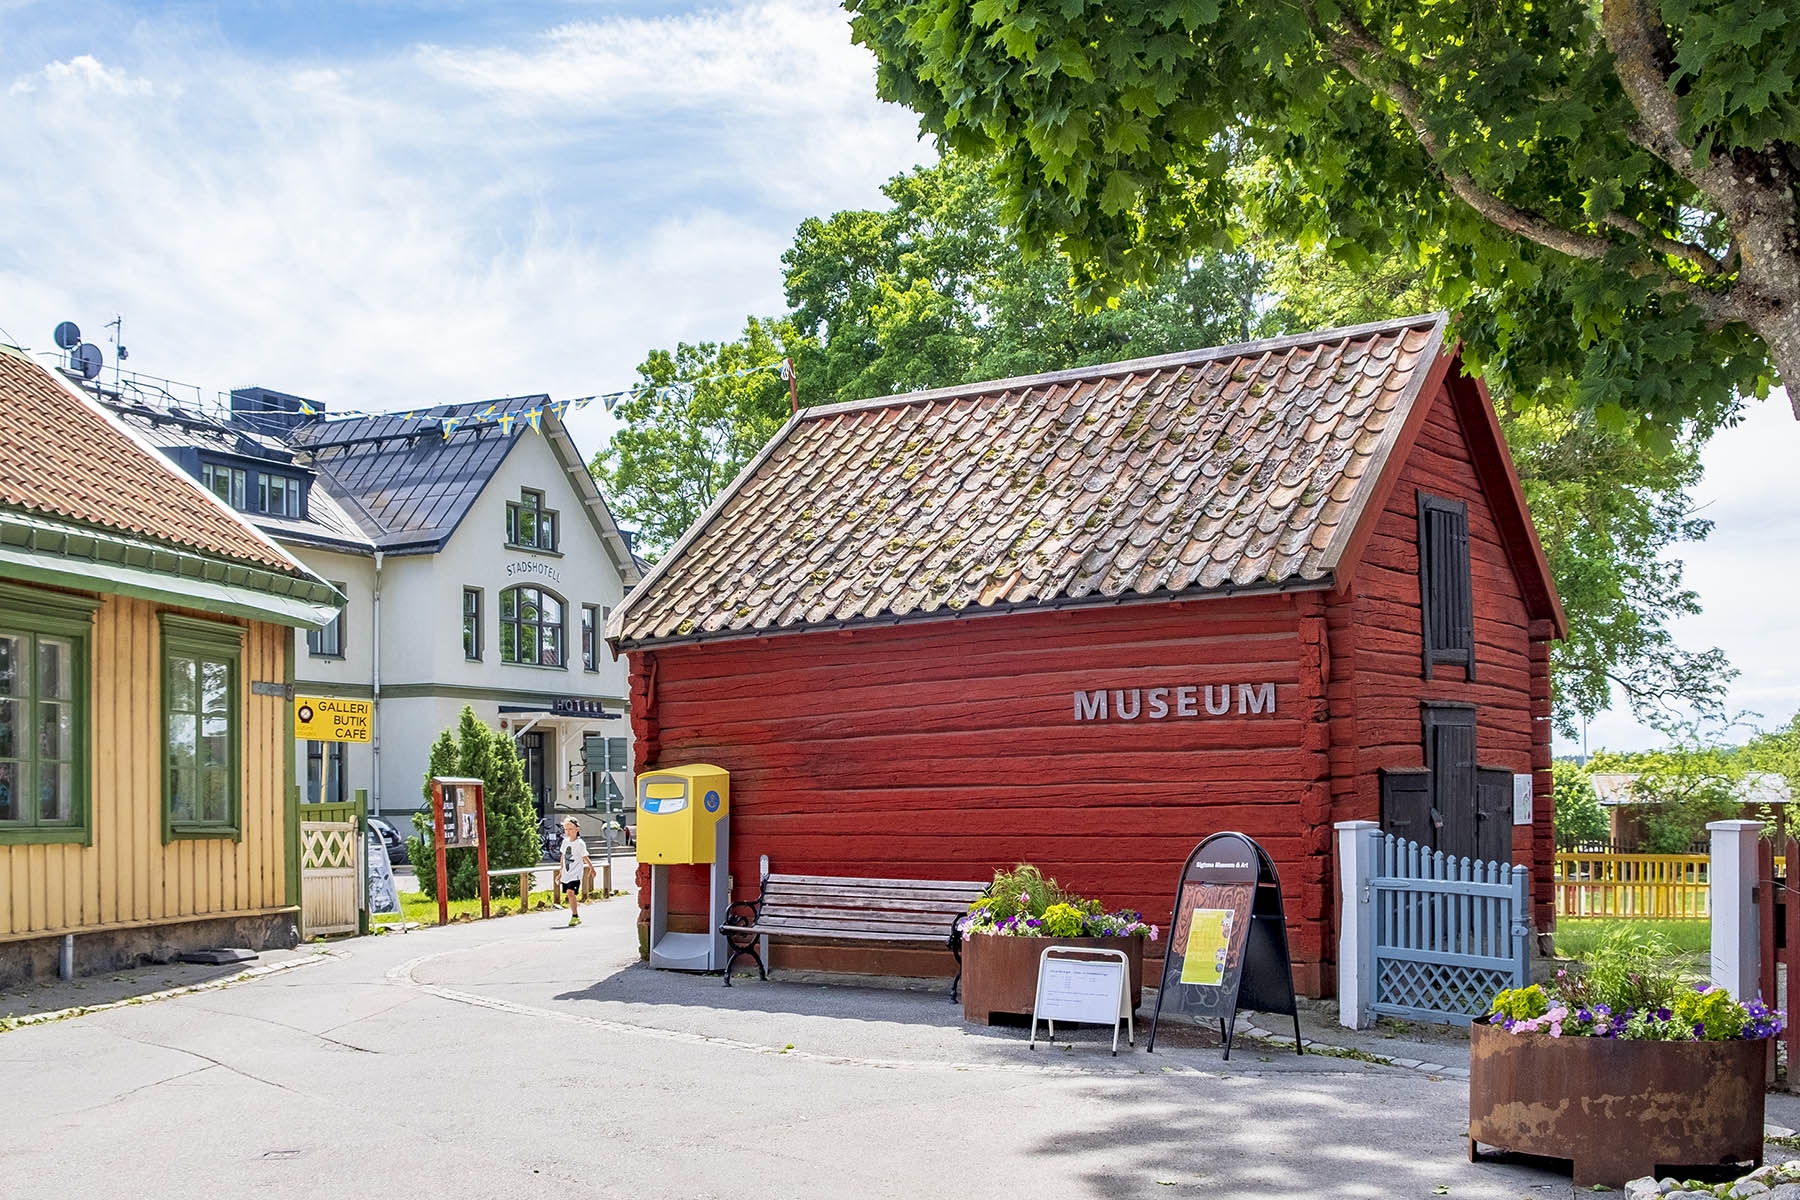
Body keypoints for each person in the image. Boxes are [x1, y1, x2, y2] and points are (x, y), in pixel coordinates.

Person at [559, 817, 594, 926]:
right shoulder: (565, 842)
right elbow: (563, 857)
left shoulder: (580, 843)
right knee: (569, 895)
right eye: (566, 829)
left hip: (576, 874)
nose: (568, 831)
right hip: (566, 873)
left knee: (570, 892)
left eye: (570, 829)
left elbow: (585, 857)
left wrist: (592, 868)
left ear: (577, 829)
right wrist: (560, 873)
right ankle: (575, 914)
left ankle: (574, 916)